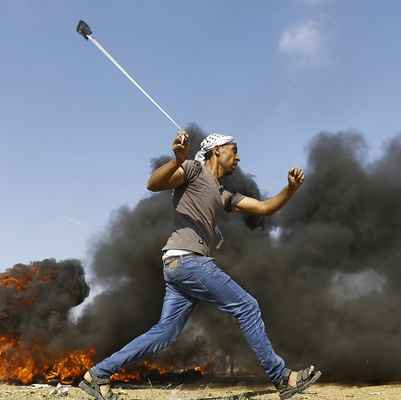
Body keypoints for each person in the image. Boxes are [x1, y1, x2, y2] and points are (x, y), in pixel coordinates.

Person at [79, 131, 320, 400]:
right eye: (234, 150)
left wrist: (290, 189)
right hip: (188, 261)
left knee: (164, 333)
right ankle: (282, 377)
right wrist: (177, 159)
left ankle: (98, 374)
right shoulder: (193, 170)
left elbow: (264, 208)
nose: (238, 157)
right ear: (217, 150)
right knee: (247, 306)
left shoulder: (222, 194)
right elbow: (153, 184)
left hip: (175, 264)